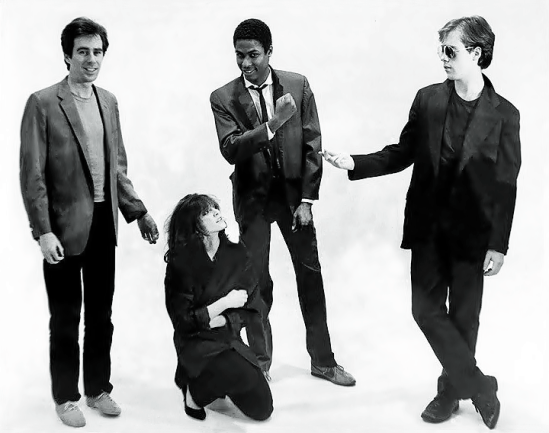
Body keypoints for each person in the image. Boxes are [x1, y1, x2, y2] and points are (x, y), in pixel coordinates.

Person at [322, 16, 520, 430]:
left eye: (451, 50)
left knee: (465, 318)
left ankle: (449, 393)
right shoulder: (428, 99)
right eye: (441, 50)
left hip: (473, 235)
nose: (443, 58)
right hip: (428, 228)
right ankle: (481, 386)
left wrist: (498, 244)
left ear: (476, 53)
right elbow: (402, 152)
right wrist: (355, 162)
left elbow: (506, 184)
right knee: (425, 310)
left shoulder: (505, 114)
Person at [19, 17, 159, 428]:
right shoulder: (43, 102)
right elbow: (32, 174)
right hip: (62, 228)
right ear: (67, 56)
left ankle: (98, 389)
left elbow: (117, 168)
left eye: (97, 52)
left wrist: (138, 212)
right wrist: (43, 231)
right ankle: (66, 397)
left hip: (103, 223)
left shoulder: (108, 101)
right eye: (83, 52)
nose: (91, 59)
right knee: (65, 318)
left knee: (101, 314)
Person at [210, 18, 355, 386]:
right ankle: (259, 363)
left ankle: (323, 361)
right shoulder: (222, 97)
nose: (245, 63)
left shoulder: (297, 84)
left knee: (310, 277)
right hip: (252, 201)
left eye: (253, 55)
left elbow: (312, 143)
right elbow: (231, 150)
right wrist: (273, 124)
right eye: (239, 55)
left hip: (294, 201)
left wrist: (307, 199)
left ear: (269, 52)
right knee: (257, 283)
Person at [163, 194, 273, 421]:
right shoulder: (180, 264)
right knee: (238, 373)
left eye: (215, 208)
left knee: (263, 409)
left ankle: (220, 381)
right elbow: (182, 321)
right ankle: (194, 395)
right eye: (206, 212)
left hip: (227, 337)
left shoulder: (237, 254)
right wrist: (224, 303)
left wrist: (222, 320)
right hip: (196, 343)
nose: (216, 212)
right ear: (194, 226)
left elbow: (252, 307)